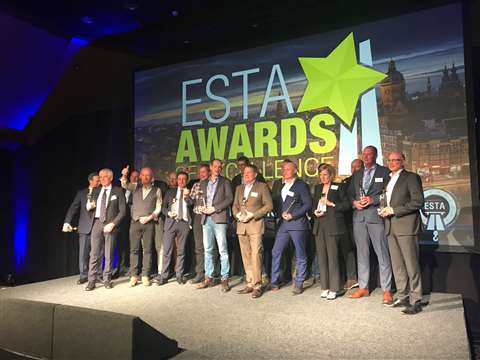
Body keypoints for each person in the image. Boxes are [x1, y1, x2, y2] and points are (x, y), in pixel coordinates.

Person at [379, 152, 424, 315]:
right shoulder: (387, 179)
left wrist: (394, 210)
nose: (392, 163)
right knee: (398, 265)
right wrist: (383, 208)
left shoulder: (411, 177)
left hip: (406, 226)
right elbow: (385, 199)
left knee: (411, 265)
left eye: (396, 160)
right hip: (390, 226)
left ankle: (416, 299)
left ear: (403, 161)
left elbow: (418, 202)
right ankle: (403, 295)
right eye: (389, 160)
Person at [348, 146, 393, 305]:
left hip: (376, 217)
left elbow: (389, 193)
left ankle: (387, 290)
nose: (366, 157)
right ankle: (364, 287)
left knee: (382, 253)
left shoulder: (384, 172)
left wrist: (372, 200)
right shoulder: (357, 174)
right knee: (362, 254)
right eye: (364, 154)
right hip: (359, 218)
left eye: (369, 154)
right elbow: (349, 194)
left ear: (375, 155)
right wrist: (354, 202)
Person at [270, 159, 312, 295]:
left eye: (288, 169)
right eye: (283, 169)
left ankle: (299, 282)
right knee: (276, 251)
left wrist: (293, 215)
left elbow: (307, 204)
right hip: (283, 225)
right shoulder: (281, 185)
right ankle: (275, 281)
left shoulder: (301, 185)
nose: (284, 171)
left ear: (295, 170)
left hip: (297, 224)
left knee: (300, 254)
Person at [232, 164, 273, 298]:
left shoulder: (262, 187)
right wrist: (237, 215)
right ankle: (249, 283)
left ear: (255, 174)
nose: (246, 175)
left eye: (249, 173)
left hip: (255, 225)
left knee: (256, 255)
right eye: (244, 173)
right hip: (241, 226)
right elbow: (235, 206)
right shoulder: (239, 188)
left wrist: (254, 215)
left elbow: (269, 206)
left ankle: (257, 285)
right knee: (246, 256)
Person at [312, 163, 350, 300]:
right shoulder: (317, 188)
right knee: (322, 257)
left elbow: (346, 205)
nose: (322, 177)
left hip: (333, 225)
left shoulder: (339, 187)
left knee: (333, 258)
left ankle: (335, 288)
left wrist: (331, 204)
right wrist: (314, 212)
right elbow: (313, 206)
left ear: (331, 175)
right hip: (319, 225)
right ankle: (325, 287)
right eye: (320, 175)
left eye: (325, 174)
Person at [85, 168, 126, 291]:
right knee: (94, 253)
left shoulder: (118, 191)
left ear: (111, 178)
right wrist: (89, 205)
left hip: (110, 224)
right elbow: (89, 206)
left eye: (105, 176)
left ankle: (107, 279)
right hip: (97, 222)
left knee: (108, 254)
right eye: (100, 177)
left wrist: (113, 224)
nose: (102, 179)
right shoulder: (96, 190)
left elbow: (123, 211)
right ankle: (92, 280)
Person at [196, 159, 233, 292]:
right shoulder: (203, 182)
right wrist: (201, 208)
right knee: (208, 249)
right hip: (206, 219)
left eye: (219, 166)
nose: (217, 168)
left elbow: (229, 199)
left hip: (219, 218)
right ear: (211, 167)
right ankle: (208, 277)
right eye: (215, 166)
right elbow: (200, 199)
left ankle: (224, 278)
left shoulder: (225, 182)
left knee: (222, 250)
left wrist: (215, 208)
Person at [121, 167, 162, 287]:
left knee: (147, 250)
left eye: (147, 175)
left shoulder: (157, 190)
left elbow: (158, 207)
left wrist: (150, 217)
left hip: (148, 223)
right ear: (140, 176)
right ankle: (134, 275)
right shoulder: (135, 187)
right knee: (134, 249)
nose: (145, 177)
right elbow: (124, 185)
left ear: (152, 177)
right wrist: (124, 175)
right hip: (135, 222)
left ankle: (145, 275)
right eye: (143, 175)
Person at [62, 172, 100, 285]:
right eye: (97, 180)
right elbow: (73, 208)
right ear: (91, 181)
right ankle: (83, 275)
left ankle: (96, 274)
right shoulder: (81, 193)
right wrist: (67, 222)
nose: (99, 182)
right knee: (83, 252)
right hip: (84, 226)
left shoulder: (102, 192)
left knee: (97, 252)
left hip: (97, 226)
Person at [158, 172, 193, 285]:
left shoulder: (190, 192)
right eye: (179, 179)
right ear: (177, 180)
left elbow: (192, 204)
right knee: (167, 250)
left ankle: (179, 274)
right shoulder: (170, 192)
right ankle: (164, 275)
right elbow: (163, 207)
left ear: (186, 181)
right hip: (171, 222)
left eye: (184, 179)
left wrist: (187, 196)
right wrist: (168, 213)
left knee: (181, 251)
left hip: (184, 224)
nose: (181, 181)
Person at [340, 159, 363, 290]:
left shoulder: (366, 180)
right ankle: (352, 278)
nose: (354, 169)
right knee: (349, 250)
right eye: (352, 167)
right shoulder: (345, 182)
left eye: (357, 167)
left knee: (363, 250)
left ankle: (366, 279)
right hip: (347, 221)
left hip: (363, 219)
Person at [188, 164, 210, 284]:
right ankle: (200, 273)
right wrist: (187, 198)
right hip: (197, 217)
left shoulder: (212, 184)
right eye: (200, 172)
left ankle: (210, 273)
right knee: (199, 247)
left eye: (204, 171)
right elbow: (191, 201)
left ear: (209, 172)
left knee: (211, 246)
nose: (202, 174)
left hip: (210, 216)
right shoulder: (196, 185)